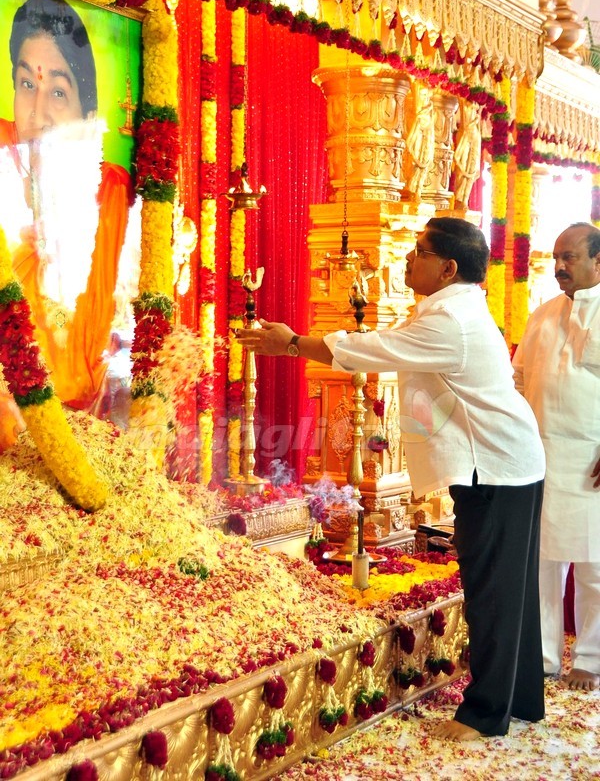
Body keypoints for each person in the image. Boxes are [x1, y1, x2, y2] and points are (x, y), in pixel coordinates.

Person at [238, 216, 546, 741]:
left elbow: (371, 350)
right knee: (507, 587)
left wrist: (292, 344)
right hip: (506, 462)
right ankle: (520, 701)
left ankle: (486, 715)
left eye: (420, 251)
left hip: (496, 466)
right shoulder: (450, 308)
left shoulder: (450, 320)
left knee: (492, 590)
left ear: (448, 268)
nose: (408, 258)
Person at [0, 0, 133, 419]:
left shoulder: (109, 195)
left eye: (58, 92)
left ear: (86, 111)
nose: (37, 113)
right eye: (26, 85)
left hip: (89, 432)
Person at [513, 222, 600, 692]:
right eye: (556, 257)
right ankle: (543, 655)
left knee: (596, 565)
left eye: (570, 257)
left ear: (598, 261)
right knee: (544, 561)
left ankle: (590, 657)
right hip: (542, 453)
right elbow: (521, 377)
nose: (560, 266)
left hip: (594, 461)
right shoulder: (542, 314)